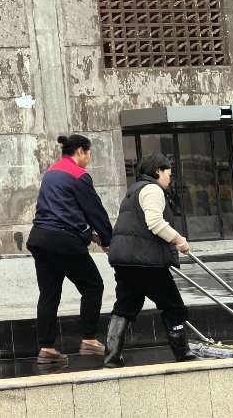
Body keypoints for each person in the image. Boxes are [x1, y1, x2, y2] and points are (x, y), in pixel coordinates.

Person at [27, 133, 114, 365]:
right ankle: (89, 339)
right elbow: (95, 211)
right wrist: (108, 240)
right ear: (80, 151)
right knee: (93, 286)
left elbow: (60, 211)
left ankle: (46, 348)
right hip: (64, 242)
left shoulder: (51, 172)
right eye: (89, 153)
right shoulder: (78, 175)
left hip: (40, 238)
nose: (89, 158)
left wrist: (88, 234)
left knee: (49, 294)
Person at [103, 152, 195, 367]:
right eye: (168, 173)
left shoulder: (133, 191)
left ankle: (112, 356)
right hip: (146, 260)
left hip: (125, 260)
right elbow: (155, 222)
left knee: (126, 305)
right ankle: (183, 353)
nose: (169, 178)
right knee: (173, 306)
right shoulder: (153, 190)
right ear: (157, 171)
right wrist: (179, 240)